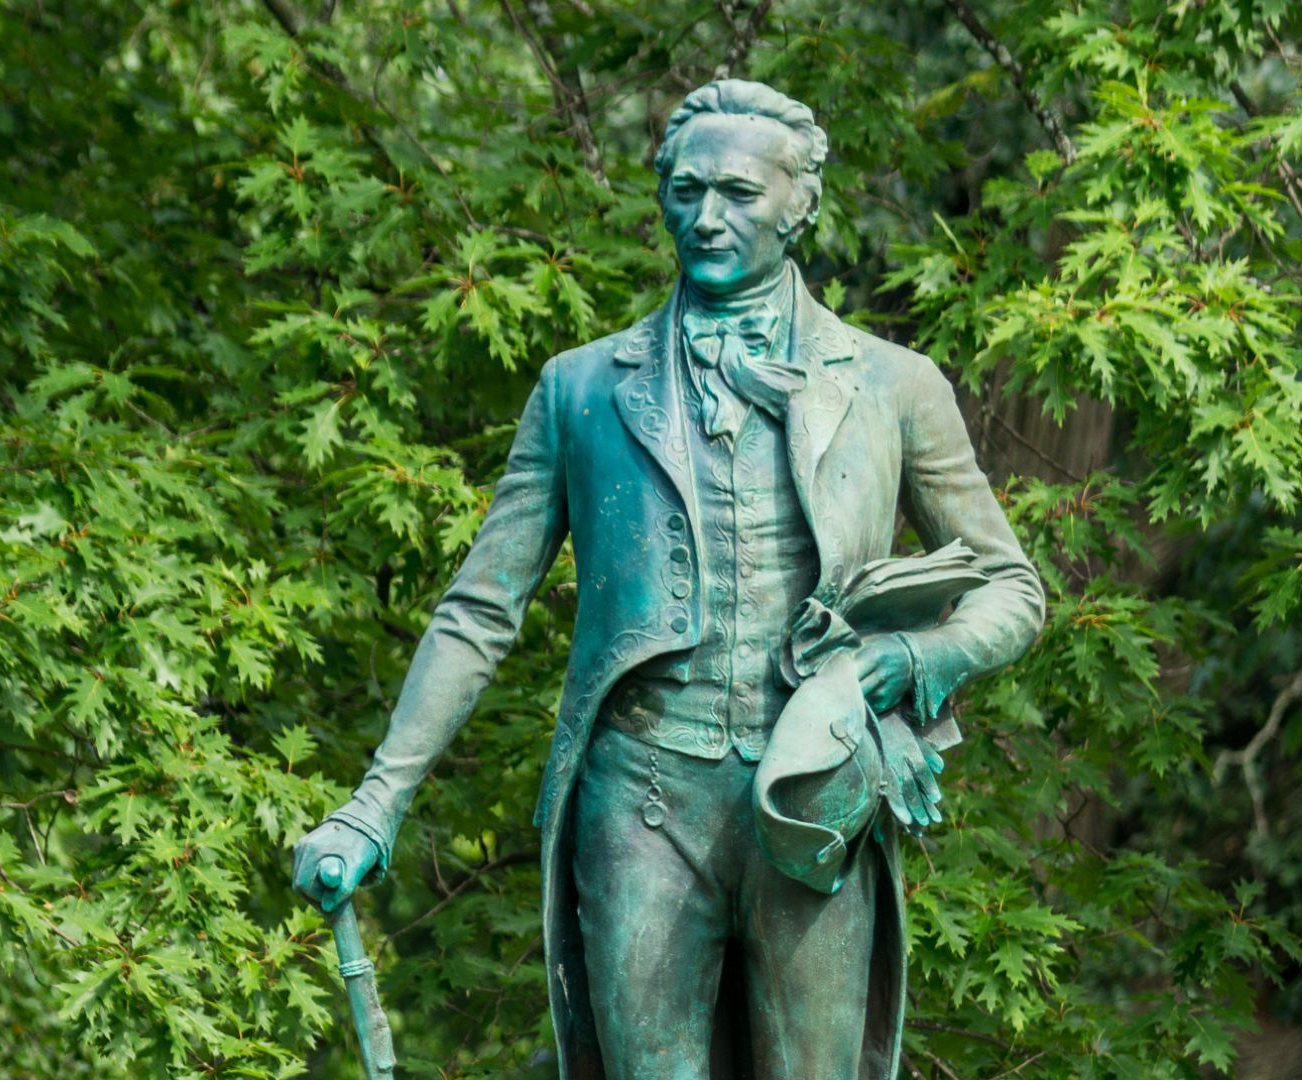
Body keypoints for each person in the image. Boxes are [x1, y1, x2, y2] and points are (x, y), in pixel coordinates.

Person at [292, 79, 1046, 1079]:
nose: (706, 215)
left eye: (738, 192)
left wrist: (907, 658)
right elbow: (481, 609)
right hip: (639, 800)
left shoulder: (892, 386)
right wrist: (375, 803)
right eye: (685, 190)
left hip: (813, 794)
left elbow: (1013, 588)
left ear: (801, 204)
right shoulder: (579, 388)